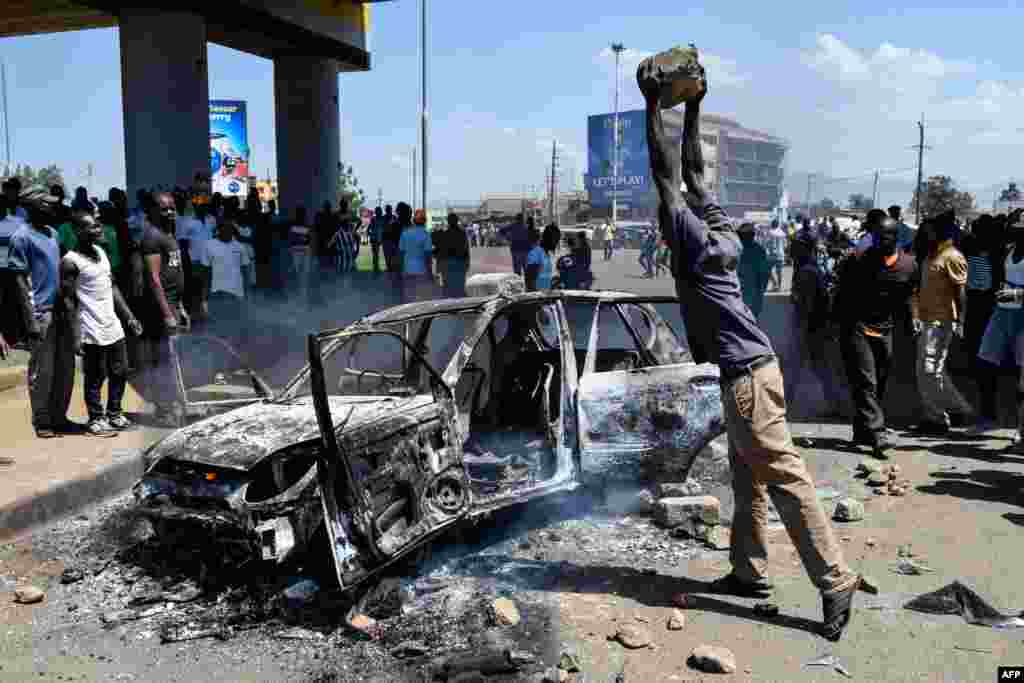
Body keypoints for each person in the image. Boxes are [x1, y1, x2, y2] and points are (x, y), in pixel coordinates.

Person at [641, 66, 863, 642]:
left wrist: (651, 106)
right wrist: (691, 106)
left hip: (746, 380)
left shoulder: (689, 240)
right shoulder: (724, 235)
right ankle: (749, 570)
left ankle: (835, 579)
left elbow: (667, 172)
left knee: (784, 477)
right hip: (760, 371)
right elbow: (692, 173)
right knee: (751, 480)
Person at [834, 219, 918, 456]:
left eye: (886, 237)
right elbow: (841, 293)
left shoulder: (909, 265)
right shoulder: (858, 261)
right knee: (866, 381)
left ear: (896, 238)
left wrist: (912, 319)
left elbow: (909, 295)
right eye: (877, 236)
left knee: (879, 382)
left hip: (885, 329)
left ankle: (862, 429)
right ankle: (878, 434)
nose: (881, 241)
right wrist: (836, 324)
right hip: (856, 327)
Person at [60, 212, 143, 436]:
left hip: (112, 323)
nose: (99, 230)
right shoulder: (70, 261)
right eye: (93, 227)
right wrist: (76, 335)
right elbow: (68, 300)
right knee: (96, 375)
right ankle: (95, 419)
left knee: (121, 370)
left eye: (98, 226)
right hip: (90, 327)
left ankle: (114, 413)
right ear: (78, 231)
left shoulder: (101, 252)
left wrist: (129, 317)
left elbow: (113, 287)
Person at [8, 188, 76, 438]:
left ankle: (60, 417)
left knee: (65, 366)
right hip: (41, 313)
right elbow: (20, 282)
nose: (52, 208)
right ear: (34, 206)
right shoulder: (21, 238)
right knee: (42, 370)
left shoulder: (53, 234)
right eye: (47, 204)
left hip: (61, 311)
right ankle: (42, 420)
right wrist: (31, 321)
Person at [911, 211, 972, 435]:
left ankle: (936, 419)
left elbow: (961, 291)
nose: (923, 235)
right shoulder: (931, 255)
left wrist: (961, 321)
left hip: (941, 321)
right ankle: (959, 409)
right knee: (934, 371)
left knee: (928, 371)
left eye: (928, 232)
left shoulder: (953, 256)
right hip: (927, 320)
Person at [137, 192, 188, 427]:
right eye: (164, 208)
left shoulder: (169, 233)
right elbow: (154, 279)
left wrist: (180, 307)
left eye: (172, 208)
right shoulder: (152, 237)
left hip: (173, 304)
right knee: (163, 362)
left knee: (173, 360)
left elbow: (174, 273)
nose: (169, 212)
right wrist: (167, 314)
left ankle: (174, 406)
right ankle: (164, 410)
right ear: (154, 211)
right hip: (160, 310)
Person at [973, 210, 1024, 439]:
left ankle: (1020, 428)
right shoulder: (1009, 250)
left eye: (1017, 226)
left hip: (1022, 315)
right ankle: (988, 417)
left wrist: (1015, 294)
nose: (1013, 228)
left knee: (1021, 375)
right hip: (1002, 312)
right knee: (985, 362)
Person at [786, 232, 844, 418]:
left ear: (804, 248)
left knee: (805, 367)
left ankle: (786, 403)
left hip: (811, 329)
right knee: (816, 368)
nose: (791, 249)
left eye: (795, 246)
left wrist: (801, 332)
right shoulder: (805, 268)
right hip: (811, 328)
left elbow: (808, 306)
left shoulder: (807, 272)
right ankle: (834, 403)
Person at [197, 218, 251, 343]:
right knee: (218, 333)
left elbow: (245, 273)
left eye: (230, 229)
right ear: (218, 230)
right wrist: (203, 299)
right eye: (224, 228)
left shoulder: (240, 247)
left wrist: (247, 297)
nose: (227, 232)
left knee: (235, 333)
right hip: (217, 294)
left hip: (236, 295)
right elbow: (205, 274)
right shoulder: (208, 245)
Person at [737, 222, 771, 319]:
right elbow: (765, 275)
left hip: (750, 295)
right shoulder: (759, 250)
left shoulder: (759, 251)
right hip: (746, 295)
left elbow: (764, 275)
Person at [399, 208, 434, 302]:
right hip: (421, 270)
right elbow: (428, 256)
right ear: (425, 221)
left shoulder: (405, 233)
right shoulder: (426, 235)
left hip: (407, 269)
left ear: (414, 221)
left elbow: (401, 254)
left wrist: (401, 269)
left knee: (408, 297)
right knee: (421, 298)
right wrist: (430, 272)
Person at [437, 213, 470, 298]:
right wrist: (467, 263)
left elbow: (441, 252)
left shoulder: (444, 234)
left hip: (448, 264)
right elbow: (466, 250)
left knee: (448, 289)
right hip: (460, 263)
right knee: (460, 288)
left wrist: (439, 266)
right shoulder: (462, 234)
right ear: (457, 221)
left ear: (448, 222)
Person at [526, 224, 559, 292]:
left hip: (546, 293)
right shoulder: (535, 254)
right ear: (550, 239)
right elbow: (530, 282)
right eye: (556, 240)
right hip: (539, 297)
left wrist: (553, 282)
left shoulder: (547, 254)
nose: (557, 243)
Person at [765, 220, 788, 291]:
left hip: (772, 255)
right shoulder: (783, 233)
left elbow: (767, 244)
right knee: (779, 271)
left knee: (767, 270)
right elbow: (785, 245)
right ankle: (779, 287)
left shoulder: (770, 232)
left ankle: (775, 284)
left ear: (772, 224)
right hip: (781, 254)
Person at [382, 204, 401, 274]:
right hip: (386, 238)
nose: (388, 210)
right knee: (387, 255)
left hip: (392, 239)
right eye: (387, 209)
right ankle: (389, 267)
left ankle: (391, 268)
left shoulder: (394, 217)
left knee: (392, 255)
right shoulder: (384, 218)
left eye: (389, 209)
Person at [368, 206, 386, 273]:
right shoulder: (375, 219)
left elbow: (369, 229)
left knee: (376, 253)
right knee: (375, 253)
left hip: (378, 238)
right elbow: (369, 228)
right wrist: (370, 234)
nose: (379, 212)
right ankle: (375, 267)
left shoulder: (382, 219)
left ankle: (376, 266)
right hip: (375, 238)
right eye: (378, 211)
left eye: (380, 211)